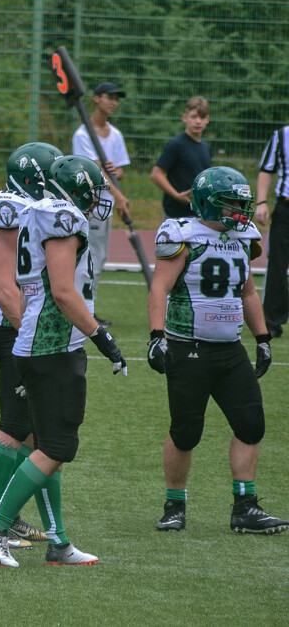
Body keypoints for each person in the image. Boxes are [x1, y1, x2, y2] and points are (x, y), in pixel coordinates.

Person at [0, 154, 127, 568]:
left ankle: (58, 542)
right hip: (51, 344)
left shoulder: (36, 211)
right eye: (93, 189)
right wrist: (102, 336)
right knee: (56, 445)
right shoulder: (61, 216)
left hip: (44, 343)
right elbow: (63, 291)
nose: (98, 198)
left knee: (48, 445)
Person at [148, 166, 288, 535]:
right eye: (231, 204)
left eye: (241, 205)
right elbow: (160, 287)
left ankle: (245, 507)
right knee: (186, 430)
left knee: (251, 423)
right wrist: (156, 335)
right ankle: (174, 506)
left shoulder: (243, 236)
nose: (239, 213)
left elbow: (247, 292)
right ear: (207, 203)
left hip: (230, 349)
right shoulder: (181, 234)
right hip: (188, 348)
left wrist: (261, 338)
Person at [0, 142, 63, 551]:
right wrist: (32, 336)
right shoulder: (7, 207)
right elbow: (4, 285)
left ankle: (8, 516)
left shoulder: (34, 209)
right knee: (14, 425)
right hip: (16, 330)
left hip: (28, 328)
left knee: (32, 432)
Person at [71, 81, 131, 327]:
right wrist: (119, 196)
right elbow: (92, 169)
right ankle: (85, 309)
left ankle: (88, 305)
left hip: (106, 205)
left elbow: (118, 171)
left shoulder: (115, 134)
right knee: (91, 256)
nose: (113, 102)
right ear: (96, 98)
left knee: (100, 256)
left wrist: (114, 183)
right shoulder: (83, 134)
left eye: (116, 98)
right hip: (90, 205)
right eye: (109, 97)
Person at [150, 96, 212, 219]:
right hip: (175, 215)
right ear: (185, 118)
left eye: (202, 117)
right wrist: (177, 195)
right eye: (194, 117)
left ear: (207, 119)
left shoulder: (206, 148)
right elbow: (156, 174)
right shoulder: (176, 145)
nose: (198, 121)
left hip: (198, 214)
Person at [255, 124, 289, 338]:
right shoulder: (281, 135)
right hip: (285, 208)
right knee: (277, 264)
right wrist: (261, 202)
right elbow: (266, 169)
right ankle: (272, 321)